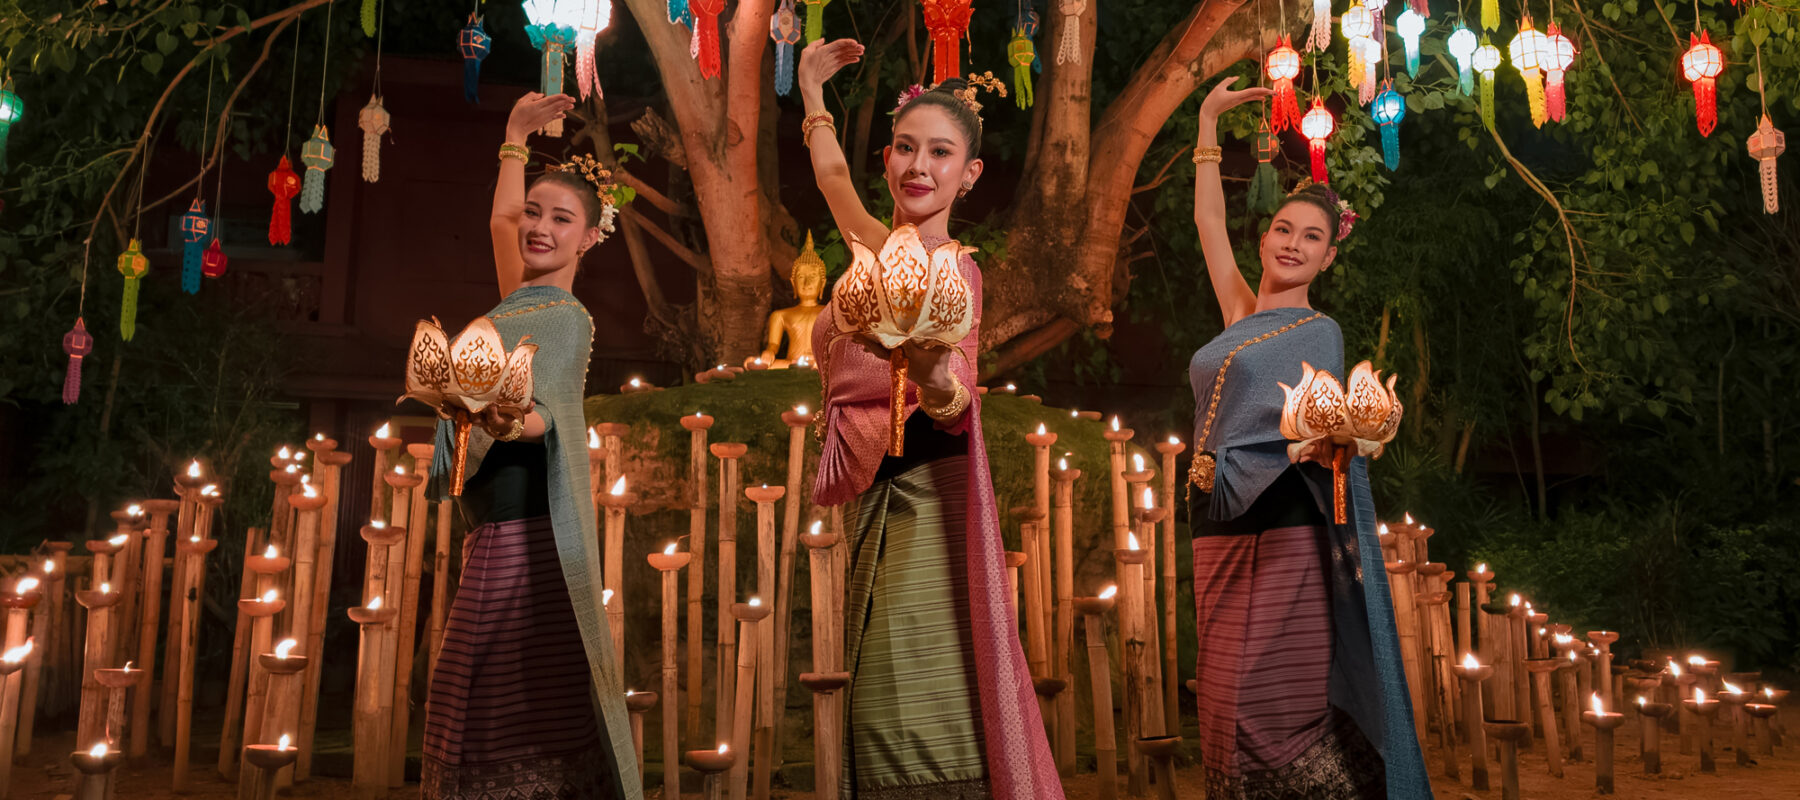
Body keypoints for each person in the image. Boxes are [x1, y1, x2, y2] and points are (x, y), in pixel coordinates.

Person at [796, 38, 1064, 800]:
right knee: (873, 690)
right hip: (867, 495)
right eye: (906, 148)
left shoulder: (955, 274)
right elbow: (831, 177)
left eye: (940, 153)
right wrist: (812, 92)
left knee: (906, 699)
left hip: (924, 501)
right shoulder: (876, 251)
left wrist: (935, 376)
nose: (919, 165)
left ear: (969, 173)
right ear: (887, 160)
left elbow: (954, 403)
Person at [1187, 76, 1430, 799]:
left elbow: (1320, 439)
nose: (1293, 243)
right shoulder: (1238, 311)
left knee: (1271, 694)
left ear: (1329, 257)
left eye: (1312, 238)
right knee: (1223, 691)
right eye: (1283, 230)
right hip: (1216, 523)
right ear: (1264, 237)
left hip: (1286, 525)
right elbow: (1206, 224)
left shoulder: (1319, 331)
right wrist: (1205, 123)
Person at [420, 92, 639, 800]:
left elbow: (551, 415)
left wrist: (496, 412)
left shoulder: (565, 318)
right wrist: (514, 136)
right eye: (536, 213)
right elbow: (500, 218)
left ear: (590, 238)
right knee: (485, 694)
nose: (539, 226)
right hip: (496, 534)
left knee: (486, 695)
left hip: (529, 538)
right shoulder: (516, 302)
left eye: (561, 219)